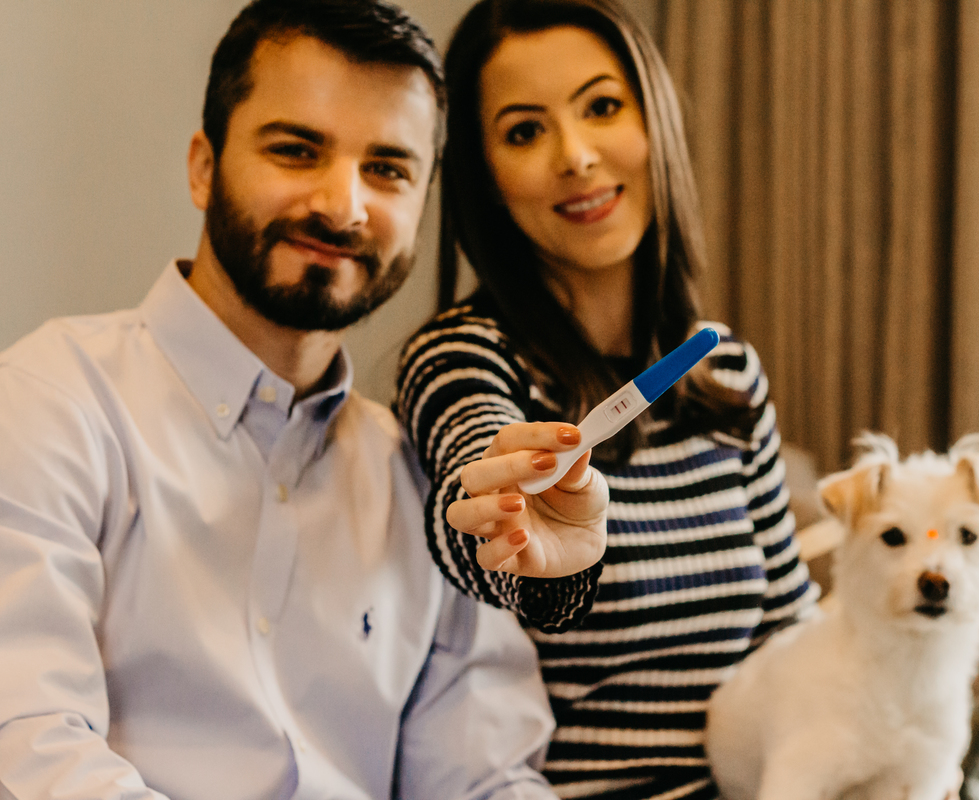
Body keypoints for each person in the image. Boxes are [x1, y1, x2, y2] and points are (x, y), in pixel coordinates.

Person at [0, 1, 609, 798]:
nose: (343, 206)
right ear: (203, 166)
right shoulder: (49, 401)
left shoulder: (419, 478)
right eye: (297, 150)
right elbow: (29, 743)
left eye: (388, 169)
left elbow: (486, 777)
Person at [394, 1, 819, 797]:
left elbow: (790, 634)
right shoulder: (463, 358)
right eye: (525, 131)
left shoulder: (727, 374)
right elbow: (472, 482)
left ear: (653, 121)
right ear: (485, 176)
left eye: (601, 107)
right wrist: (525, 541)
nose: (577, 157)